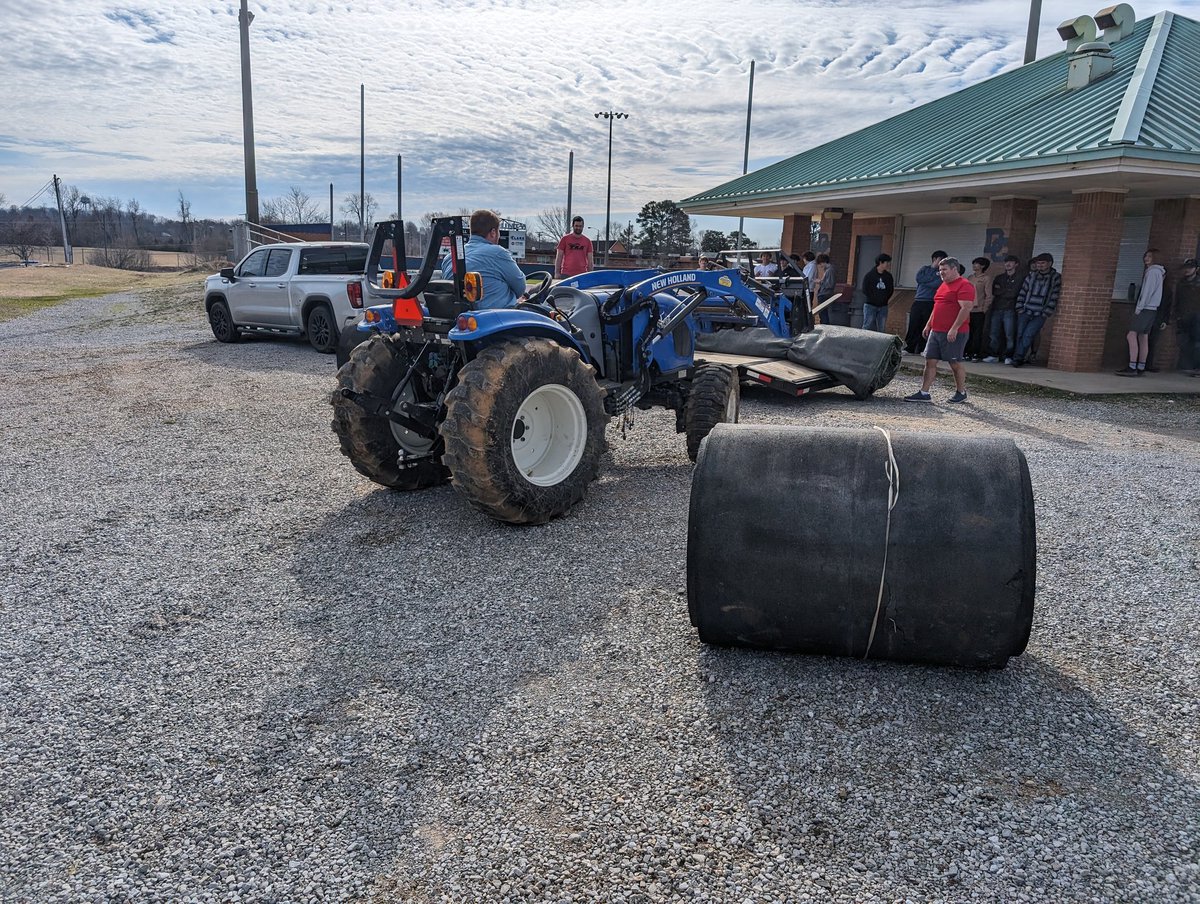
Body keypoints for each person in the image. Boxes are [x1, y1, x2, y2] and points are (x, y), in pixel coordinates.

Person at [904, 256, 975, 404]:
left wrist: (954, 328)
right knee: (930, 361)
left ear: (954, 269)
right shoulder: (943, 285)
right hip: (936, 331)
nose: (941, 272)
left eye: (944, 269)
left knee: (954, 362)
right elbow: (937, 306)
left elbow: (966, 308)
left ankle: (961, 392)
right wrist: (929, 324)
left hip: (954, 332)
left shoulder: (964, 285)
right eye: (940, 270)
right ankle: (924, 393)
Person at [442, 209, 528, 310]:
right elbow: (520, 288)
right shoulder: (497, 253)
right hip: (495, 315)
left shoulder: (450, 258)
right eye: (498, 231)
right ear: (493, 232)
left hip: (457, 314)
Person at [1117, 249, 1166, 376]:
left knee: (1131, 335)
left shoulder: (1152, 272)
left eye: (1150, 256)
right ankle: (1141, 365)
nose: (1146, 258)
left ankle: (1132, 365)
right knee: (1143, 336)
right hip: (1152, 309)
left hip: (1146, 308)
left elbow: (1147, 292)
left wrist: (1139, 307)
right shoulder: (1158, 272)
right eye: (1146, 256)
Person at [1011, 252, 1061, 367]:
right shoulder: (1031, 275)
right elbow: (1023, 291)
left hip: (1040, 313)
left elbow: (1054, 295)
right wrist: (1019, 307)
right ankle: (1017, 356)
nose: (1040, 265)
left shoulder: (1055, 277)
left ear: (1050, 264)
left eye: (1043, 263)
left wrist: (1047, 312)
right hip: (1025, 310)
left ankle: (1018, 358)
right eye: (1038, 263)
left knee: (1028, 334)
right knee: (1020, 334)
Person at [905, 250, 946, 354]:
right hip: (918, 301)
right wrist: (931, 272)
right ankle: (909, 348)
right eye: (940, 259)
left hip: (930, 301)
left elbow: (937, 284)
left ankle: (922, 348)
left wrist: (925, 282)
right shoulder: (924, 269)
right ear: (934, 259)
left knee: (926, 326)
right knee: (913, 324)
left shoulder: (942, 272)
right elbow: (919, 278)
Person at [983, 255, 1022, 363]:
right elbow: (995, 291)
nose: (1008, 264)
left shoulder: (1020, 278)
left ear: (1016, 264)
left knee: (1009, 334)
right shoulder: (999, 277)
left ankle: (1008, 356)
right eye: (1006, 262)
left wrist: (1004, 291)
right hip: (997, 308)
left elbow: (1015, 293)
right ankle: (993, 355)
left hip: (1010, 309)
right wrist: (1007, 291)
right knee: (993, 333)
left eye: (1011, 262)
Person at [964, 257, 993, 360]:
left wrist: (984, 308)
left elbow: (989, 295)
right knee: (968, 332)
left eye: (976, 264)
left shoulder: (986, 278)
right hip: (968, 309)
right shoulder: (970, 277)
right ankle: (966, 352)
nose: (974, 266)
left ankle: (975, 353)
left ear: (983, 266)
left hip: (979, 309)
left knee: (977, 332)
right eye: (974, 263)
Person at [1174, 258, 1200, 374]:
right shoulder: (1181, 283)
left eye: (1190, 268)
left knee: (1197, 341)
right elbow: (1177, 300)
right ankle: (1186, 366)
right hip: (1183, 315)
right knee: (1184, 341)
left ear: (1196, 269)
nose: (1187, 270)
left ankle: (1197, 367)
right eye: (1186, 268)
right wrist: (1176, 314)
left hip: (1196, 316)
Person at [860, 253, 894, 332]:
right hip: (870, 305)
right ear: (880, 262)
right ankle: (864, 339)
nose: (888, 264)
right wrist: (873, 298)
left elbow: (890, 290)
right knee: (867, 326)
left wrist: (885, 299)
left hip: (883, 306)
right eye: (886, 262)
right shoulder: (869, 275)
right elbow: (865, 289)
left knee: (881, 328)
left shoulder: (888, 276)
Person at [814, 253, 847, 325]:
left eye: (821, 264)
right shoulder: (829, 270)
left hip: (825, 293)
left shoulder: (830, 270)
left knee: (823, 313)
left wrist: (820, 282)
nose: (821, 266)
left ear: (824, 262)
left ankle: (824, 325)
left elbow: (830, 284)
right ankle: (824, 324)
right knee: (823, 313)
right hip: (825, 293)